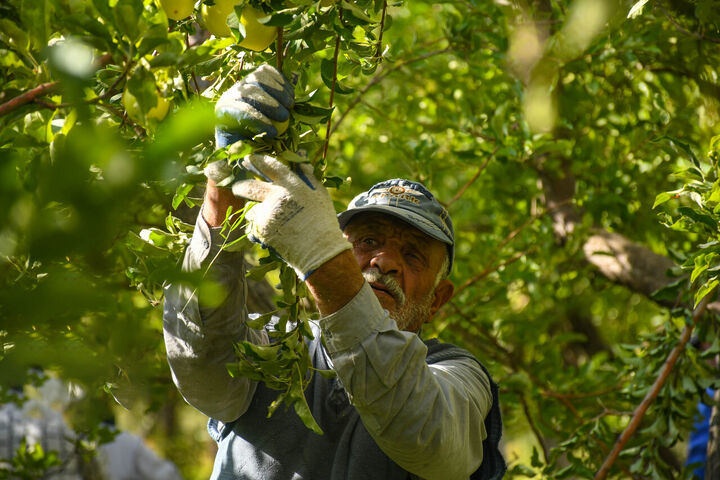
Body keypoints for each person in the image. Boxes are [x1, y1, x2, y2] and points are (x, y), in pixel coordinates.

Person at [163, 64, 506, 480]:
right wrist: (223, 190)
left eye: (413, 255)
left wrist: (320, 253)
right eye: (366, 242)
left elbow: (426, 434)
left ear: (437, 299)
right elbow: (199, 365)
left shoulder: (460, 377)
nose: (383, 262)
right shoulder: (277, 347)